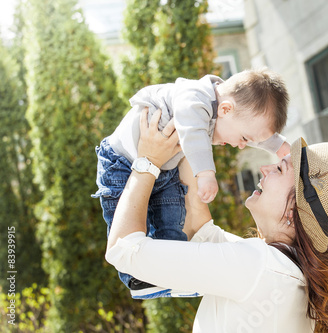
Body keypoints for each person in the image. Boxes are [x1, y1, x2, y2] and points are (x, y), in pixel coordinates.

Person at [105, 108, 328, 332]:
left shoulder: (258, 266)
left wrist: (148, 162)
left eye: (279, 168)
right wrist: (195, 130)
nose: (265, 168)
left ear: (293, 213)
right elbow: (200, 227)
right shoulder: (283, 272)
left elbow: (124, 250)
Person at [92, 68, 290, 299]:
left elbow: (251, 126)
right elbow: (193, 133)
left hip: (163, 167)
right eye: (245, 139)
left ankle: (169, 272)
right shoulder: (195, 97)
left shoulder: (227, 110)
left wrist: (280, 146)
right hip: (121, 162)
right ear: (225, 109)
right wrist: (205, 173)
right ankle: (135, 277)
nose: (242, 145)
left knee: (173, 213)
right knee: (121, 212)